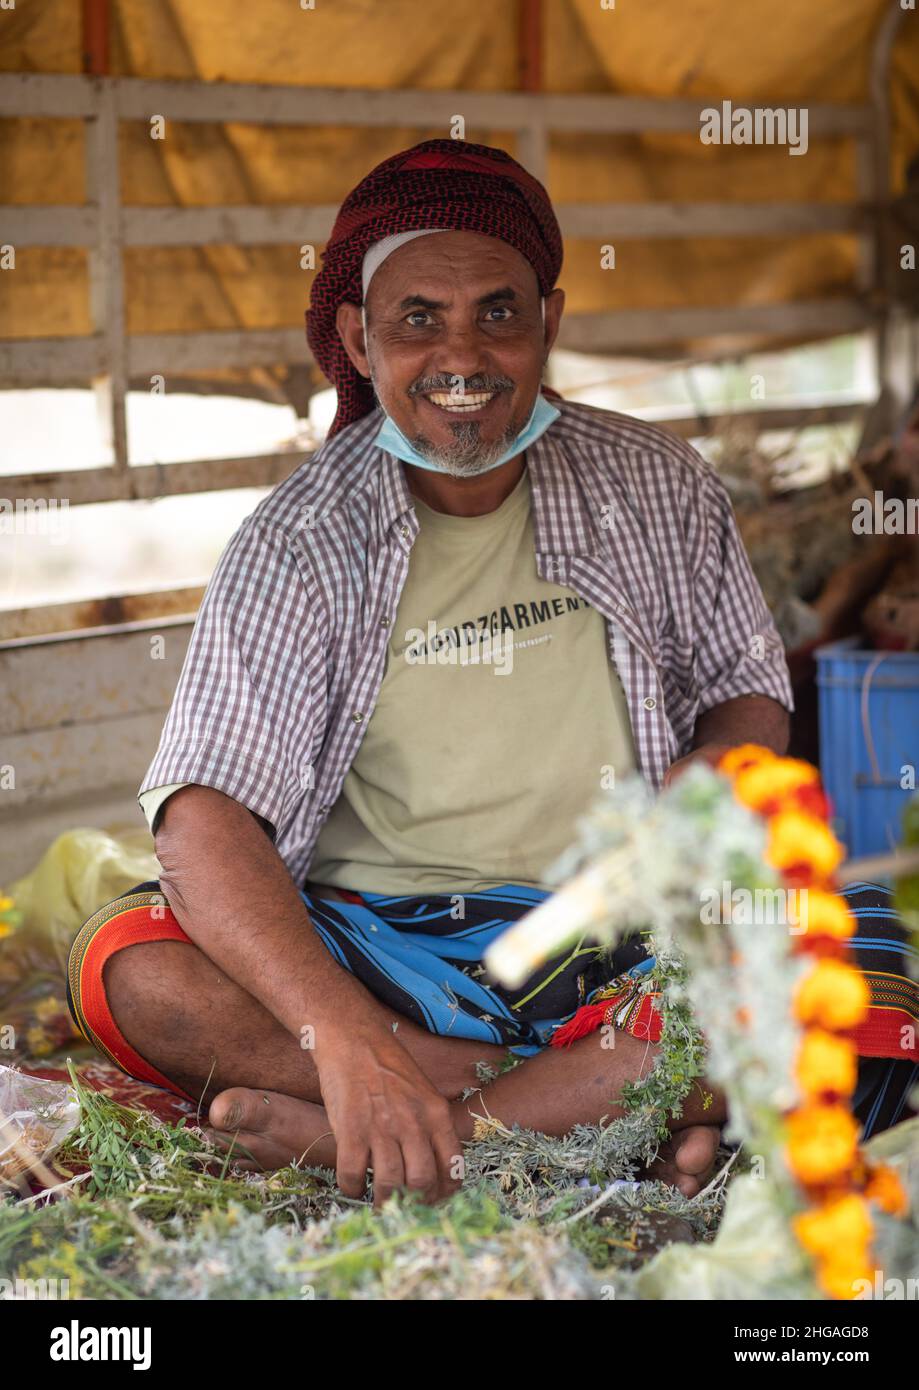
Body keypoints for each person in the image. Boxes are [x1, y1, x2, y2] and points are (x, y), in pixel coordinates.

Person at [68, 139, 803, 1206]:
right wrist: (345, 1033)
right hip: (379, 947)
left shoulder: (657, 485)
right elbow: (200, 819)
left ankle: (416, 1140)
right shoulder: (298, 540)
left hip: (610, 940)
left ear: (548, 324)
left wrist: (715, 778)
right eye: (419, 318)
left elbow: (748, 682)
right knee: (134, 967)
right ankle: (577, 1114)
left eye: (496, 315)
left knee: (824, 976)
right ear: (360, 341)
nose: (462, 356)